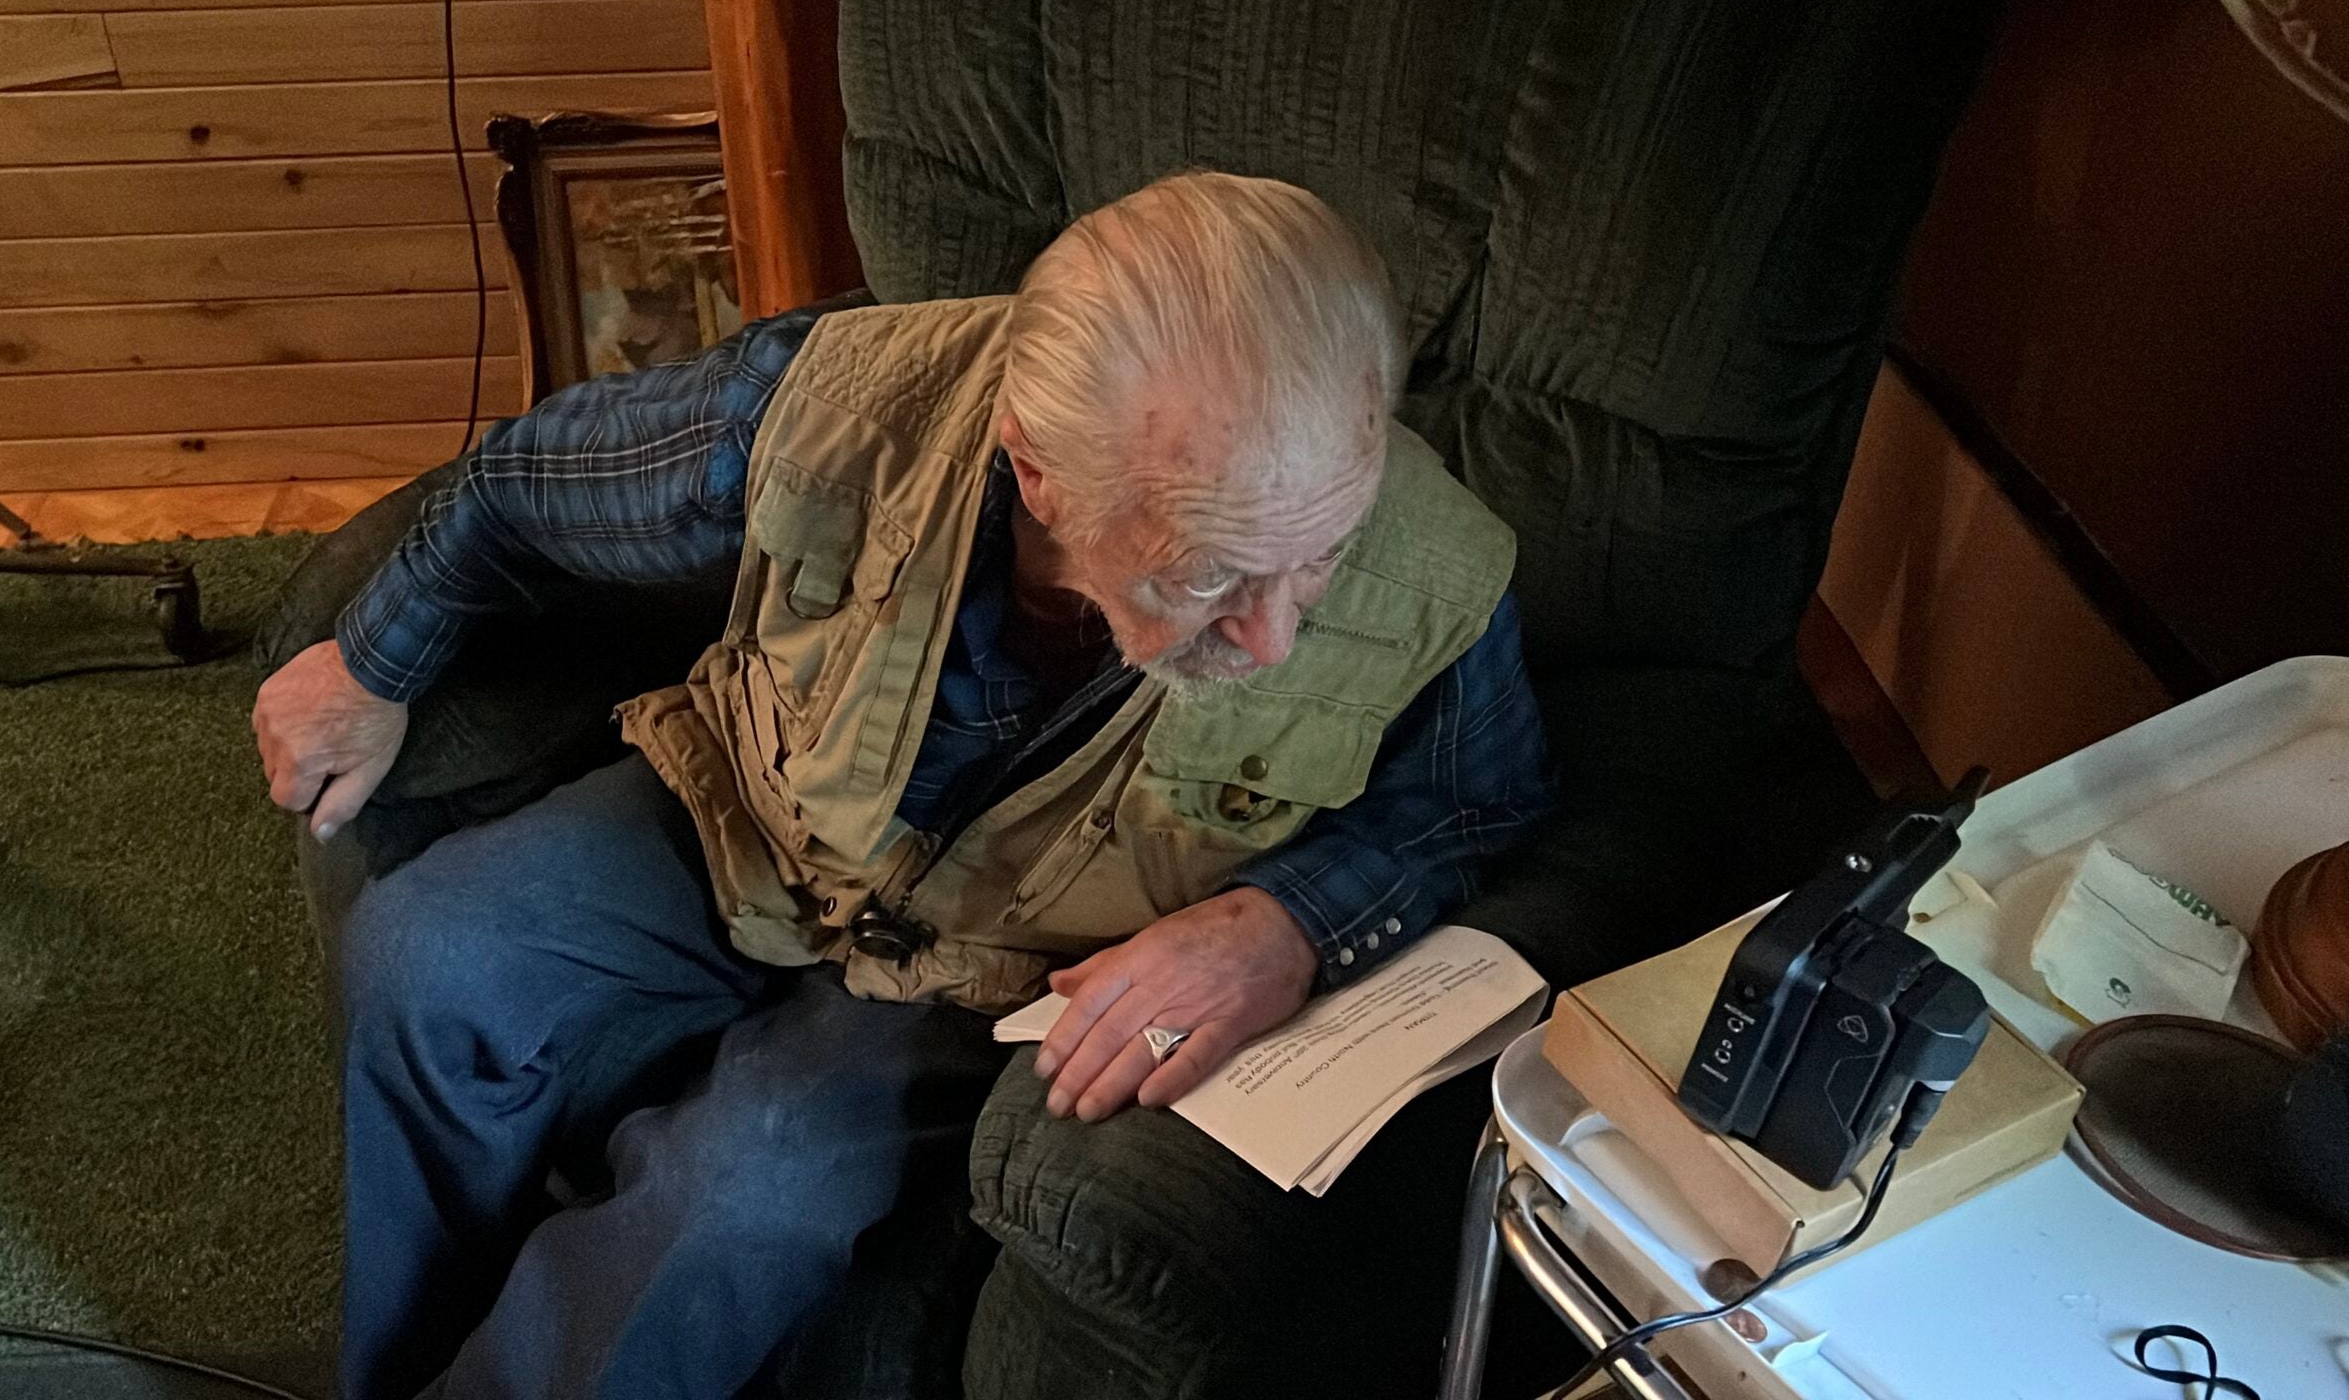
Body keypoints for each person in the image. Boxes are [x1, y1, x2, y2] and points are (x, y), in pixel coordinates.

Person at [252, 172, 1554, 1400]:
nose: (1274, 640)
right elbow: (525, 485)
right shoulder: (825, 407)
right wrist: (374, 663)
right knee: (427, 960)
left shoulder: (1429, 570)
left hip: (1002, 969)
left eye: (1315, 560)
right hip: (748, 822)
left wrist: (1293, 922)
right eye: (1207, 575)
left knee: (748, 1174)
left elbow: (1477, 801)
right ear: (1039, 470)